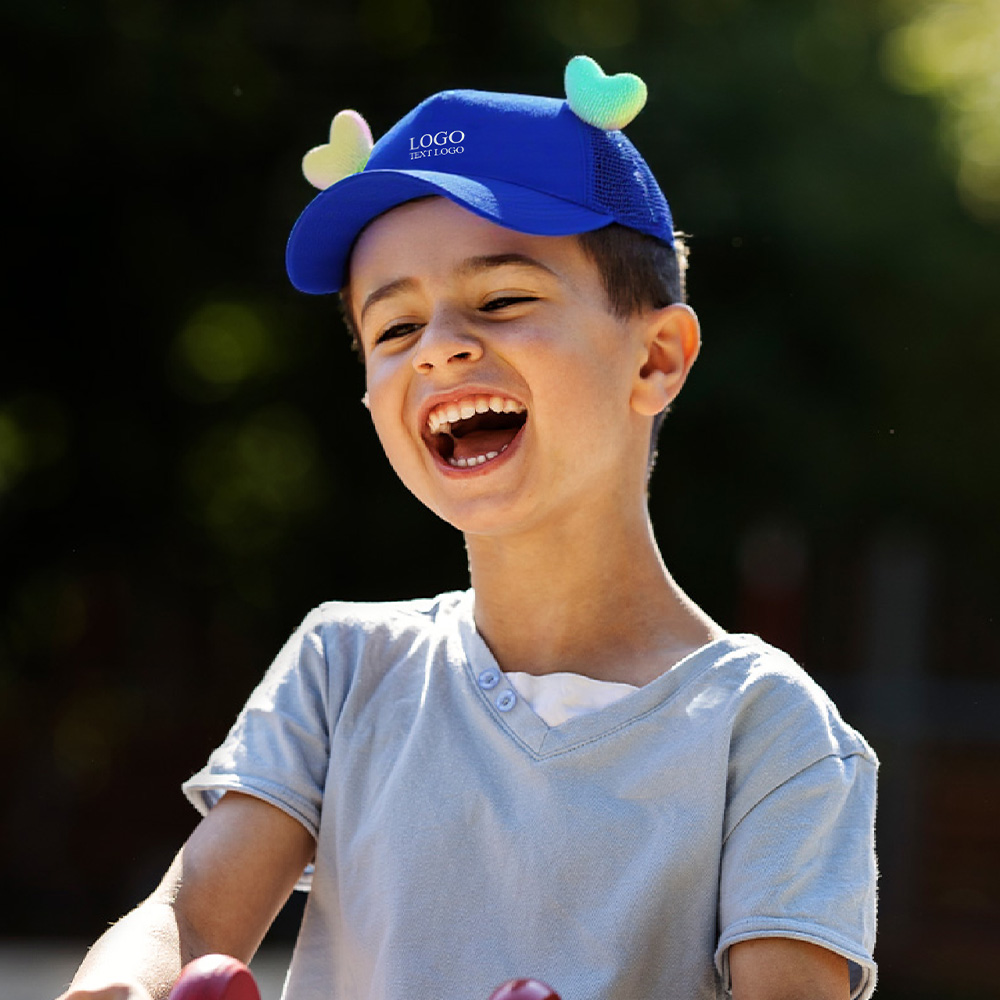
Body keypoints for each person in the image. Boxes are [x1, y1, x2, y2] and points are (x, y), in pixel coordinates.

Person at [60, 57, 878, 1000]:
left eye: (502, 300)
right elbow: (192, 912)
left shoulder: (770, 737)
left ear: (655, 358)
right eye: (394, 328)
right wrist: (119, 990)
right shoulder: (343, 667)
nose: (441, 344)